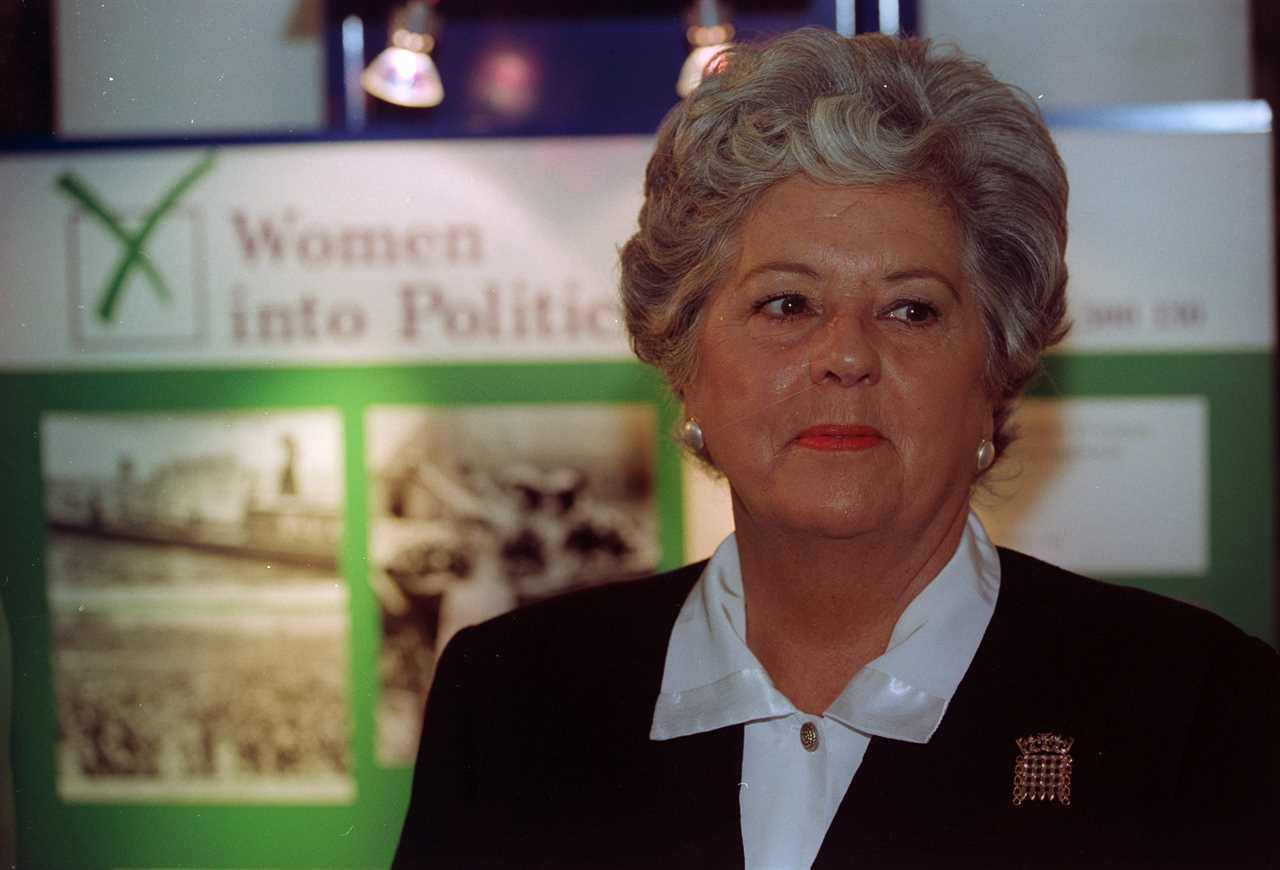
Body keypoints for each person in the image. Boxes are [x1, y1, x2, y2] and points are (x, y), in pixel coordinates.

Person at [392, 28, 1279, 869]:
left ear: (997, 373)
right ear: (685, 363)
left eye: (911, 309)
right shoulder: (510, 700)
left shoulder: (1198, 709)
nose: (848, 355)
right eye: (787, 305)